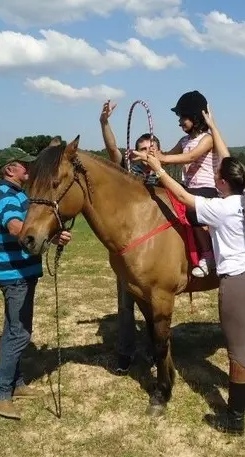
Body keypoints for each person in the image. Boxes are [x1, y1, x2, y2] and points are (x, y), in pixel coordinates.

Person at [137, 106, 245, 435]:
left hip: (237, 284)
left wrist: (159, 170)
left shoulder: (218, 208)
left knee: (239, 353)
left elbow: (185, 197)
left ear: (221, 182)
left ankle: (235, 419)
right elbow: (226, 156)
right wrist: (214, 126)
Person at [0, 147, 72, 420]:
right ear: (10, 169)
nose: (29, 169)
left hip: (23, 272)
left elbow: (35, 227)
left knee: (13, 328)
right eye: (25, 165)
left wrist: (54, 235)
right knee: (20, 333)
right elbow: (15, 228)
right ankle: (0, 394)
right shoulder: (5, 195)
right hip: (14, 276)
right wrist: (42, 235)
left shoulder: (21, 194)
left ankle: (17, 382)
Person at [99, 100, 160, 374]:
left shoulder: (162, 173)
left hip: (155, 252)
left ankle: (152, 348)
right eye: (142, 149)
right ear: (135, 152)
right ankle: (125, 352)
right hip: (129, 249)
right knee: (126, 305)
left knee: (153, 305)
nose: (147, 153)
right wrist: (104, 122)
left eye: (151, 149)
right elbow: (113, 148)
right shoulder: (127, 169)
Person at [134, 90, 219, 278]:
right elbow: (165, 158)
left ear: (195, 118)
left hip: (206, 189)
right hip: (189, 188)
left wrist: (163, 157)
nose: (179, 122)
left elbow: (190, 156)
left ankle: (208, 256)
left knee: (191, 210)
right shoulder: (184, 140)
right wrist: (151, 156)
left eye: (183, 118)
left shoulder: (207, 139)